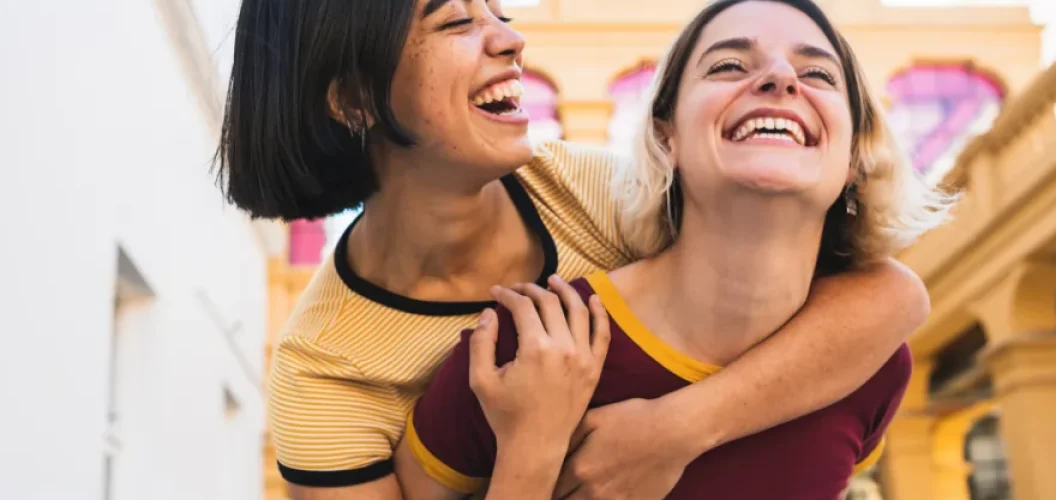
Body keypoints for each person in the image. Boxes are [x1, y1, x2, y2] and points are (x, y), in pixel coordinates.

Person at [216, 0, 939, 498]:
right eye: (458, 20)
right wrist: (532, 452)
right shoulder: (323, 376)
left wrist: (673, 431)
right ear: (353, 99)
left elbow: (891, 297)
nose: (511, 39)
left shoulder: (599, 194)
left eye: (499, 13)